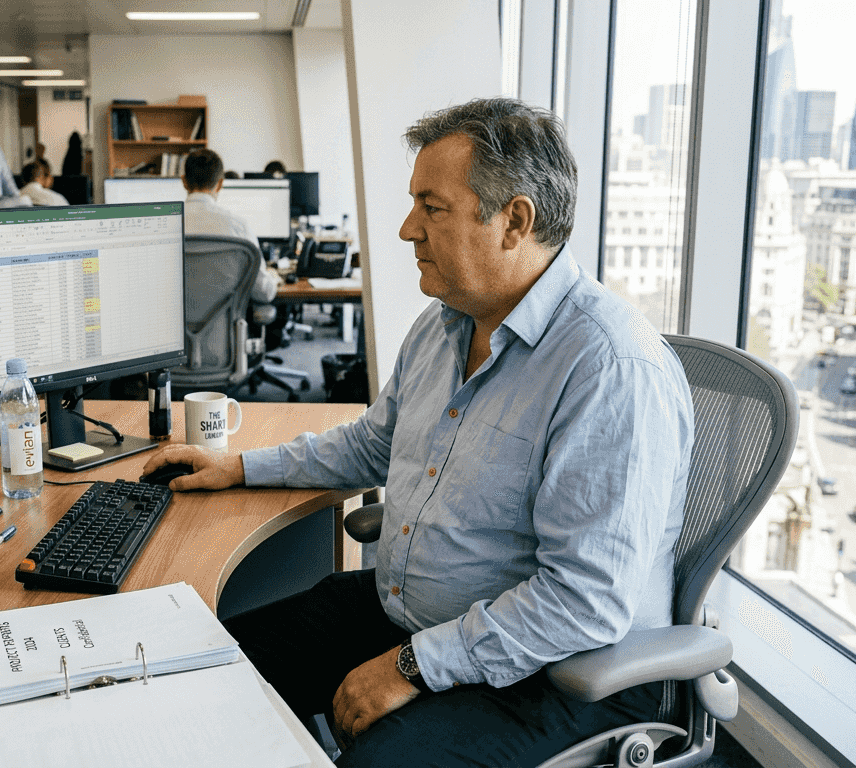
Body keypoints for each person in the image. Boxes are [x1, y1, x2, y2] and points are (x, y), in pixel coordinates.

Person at [143, 98, 695, 766]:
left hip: (554, 672)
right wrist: (240, 467)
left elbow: (583, 602)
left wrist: (409, 667)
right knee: (208, 672)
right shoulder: (444, 326)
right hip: (415, 619)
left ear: (515, 221)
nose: (408, 229)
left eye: (432, 208)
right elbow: (374, 444)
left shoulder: (610, 368)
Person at [181, 148, 277, 305]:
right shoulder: (238, 226)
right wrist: (272, 277)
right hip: (223, 328)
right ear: (219, 184)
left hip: (171, 327)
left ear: (184, 181)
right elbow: (264, 292)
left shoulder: (163, 225)